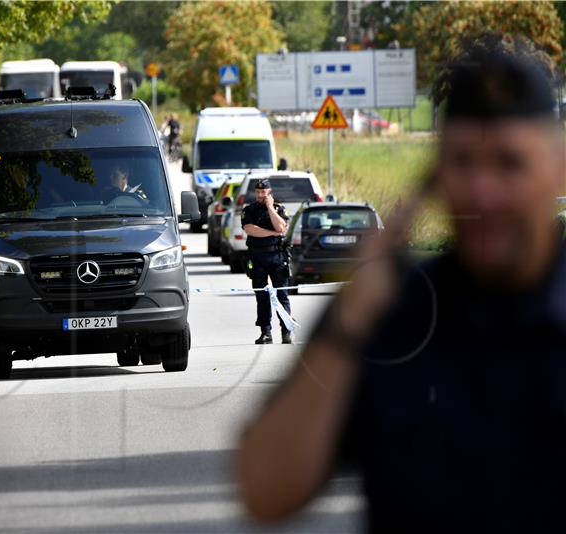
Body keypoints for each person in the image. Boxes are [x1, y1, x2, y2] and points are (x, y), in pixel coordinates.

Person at [238, 40, 566, 533]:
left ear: (557, 167)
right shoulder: (388, 312)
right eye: (463, 163)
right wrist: (350, 322)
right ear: (436, 175)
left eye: (509, 163)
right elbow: (266, 490)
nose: (483, 190)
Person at [241, 178, 292, 344]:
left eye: (263, 192)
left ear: (270, 193)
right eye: (258, 192)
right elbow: (250, 230)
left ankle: (286, 330)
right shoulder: (249, 210)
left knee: (282, 295)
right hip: (257, 257)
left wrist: (270, 208)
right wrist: (271, 233)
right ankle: (266, 332)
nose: (260, 195)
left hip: (277, 257)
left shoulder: (278, 208)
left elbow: (281, 228)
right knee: (261, 296)